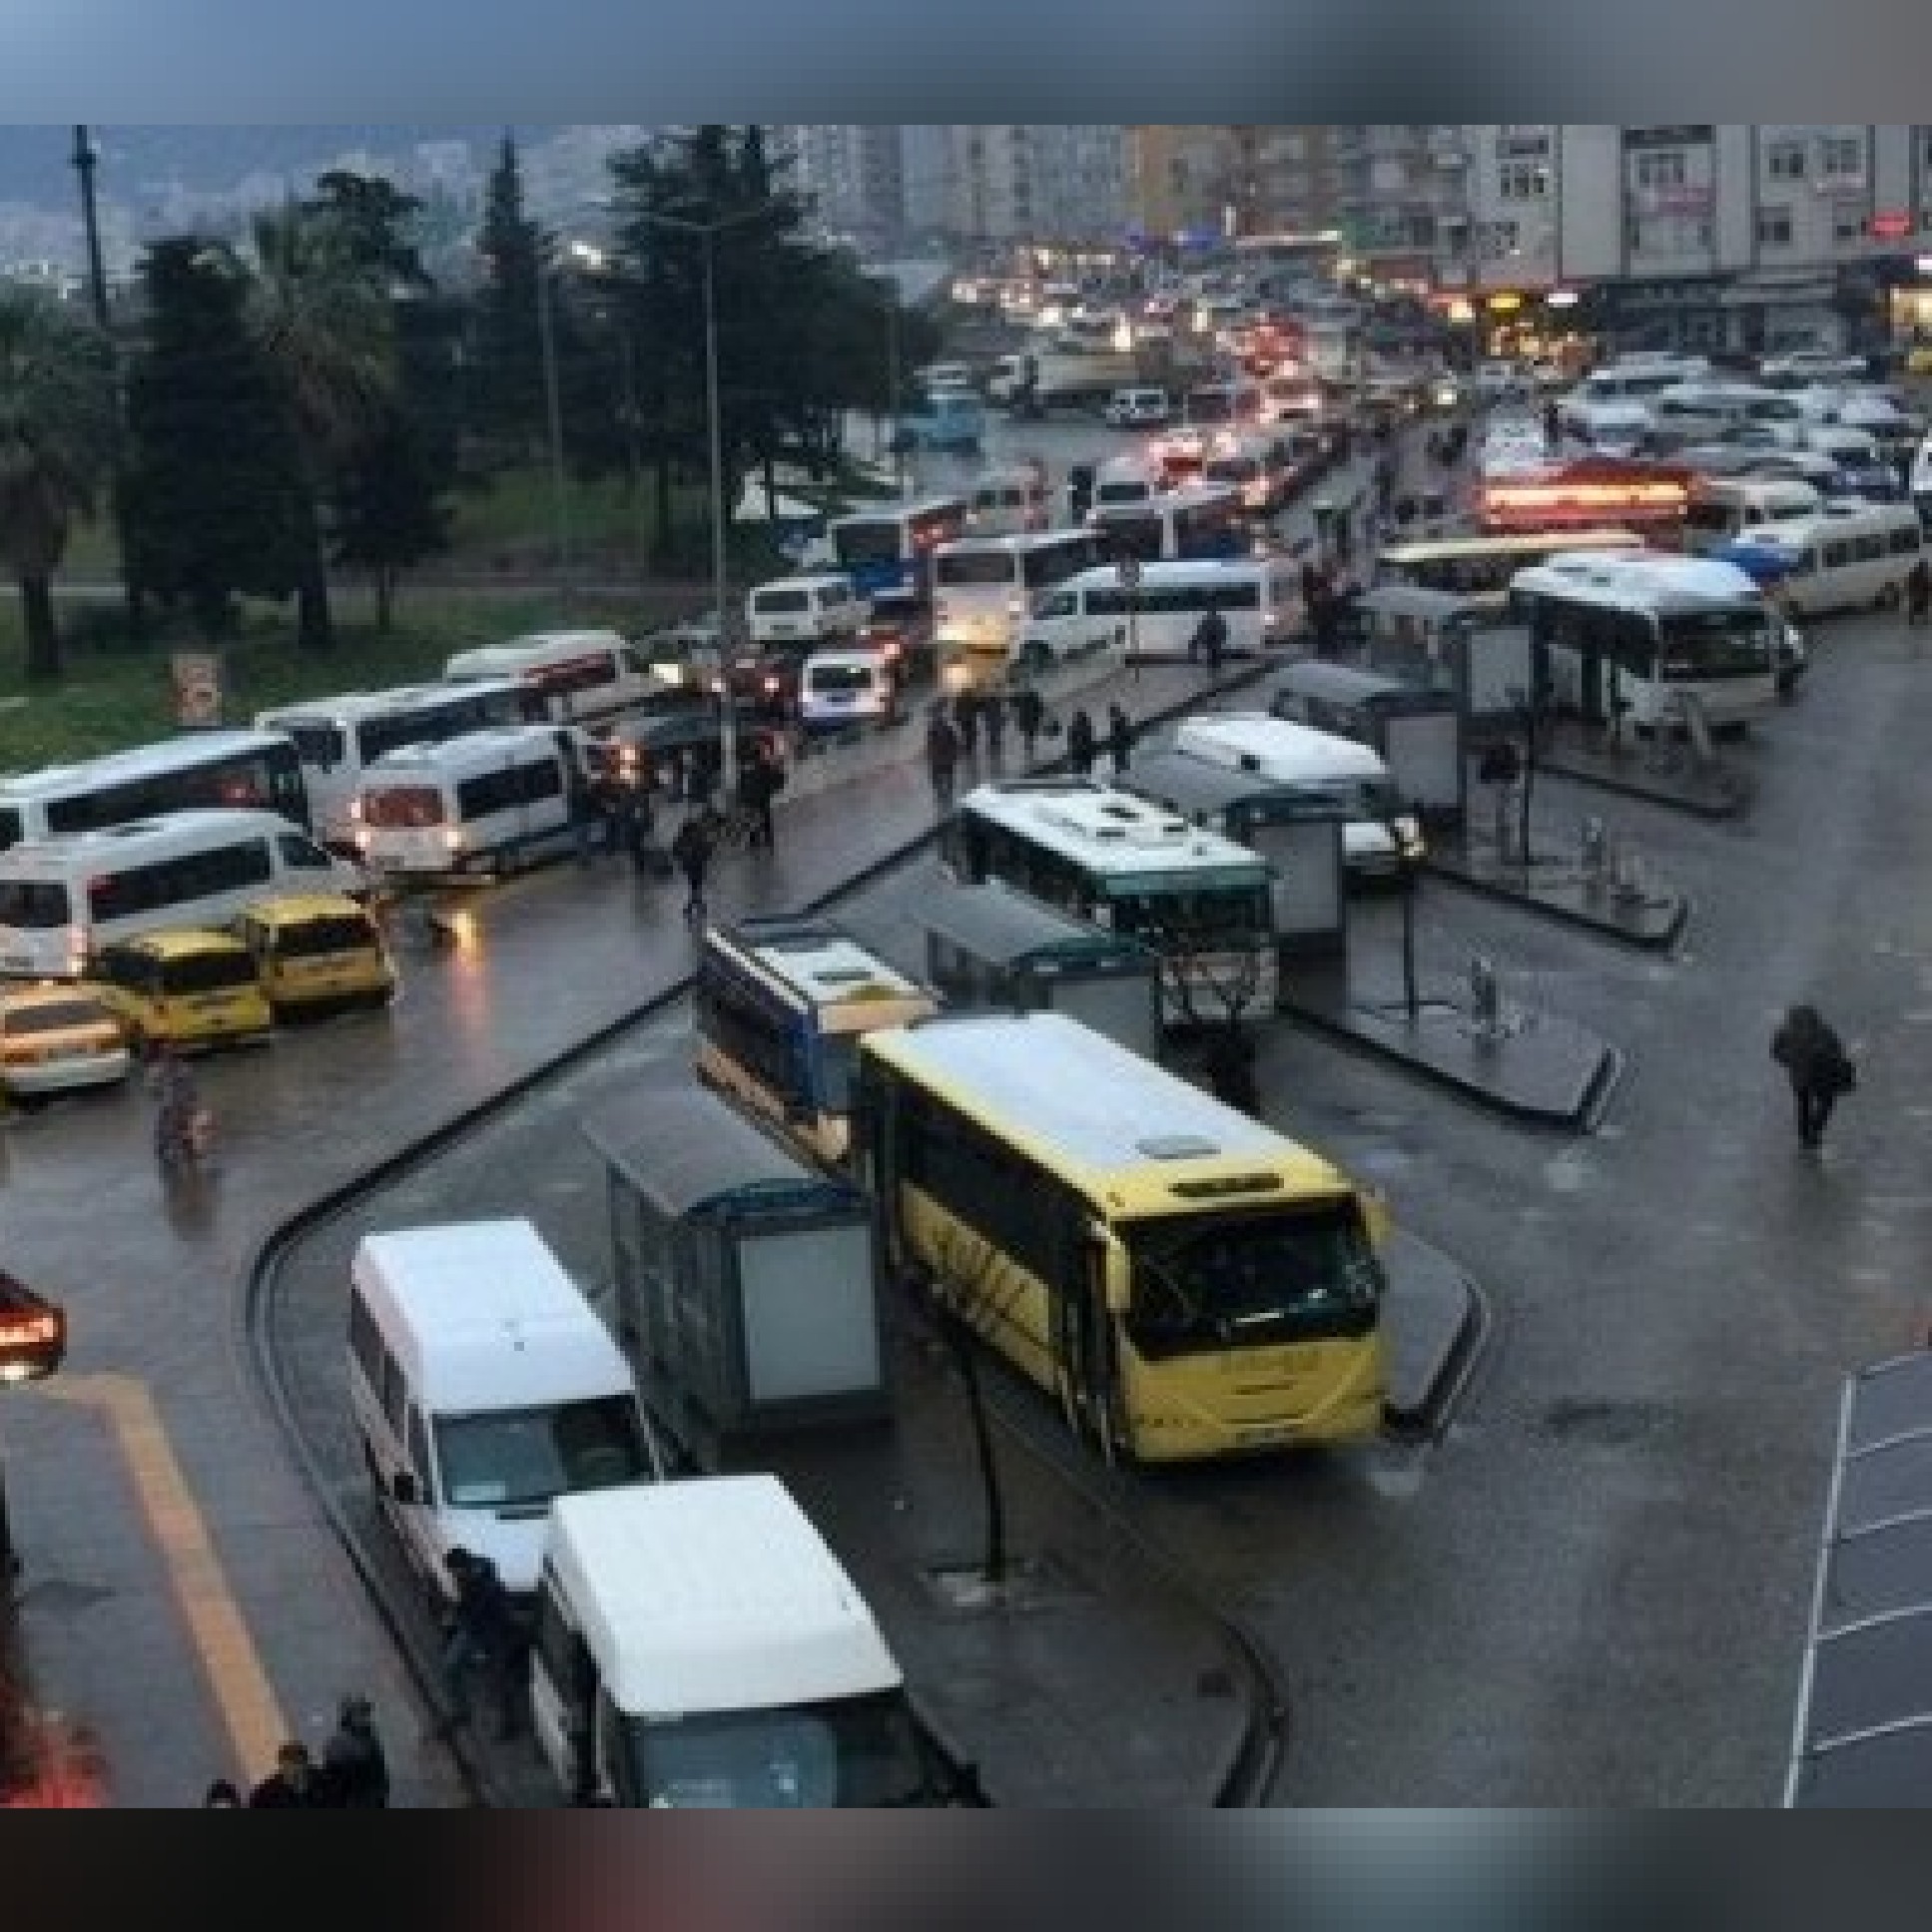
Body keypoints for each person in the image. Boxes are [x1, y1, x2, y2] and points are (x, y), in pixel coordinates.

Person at [439, 1547, 527, 1741]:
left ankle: (508, 1723)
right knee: (450, 1667)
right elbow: (467, 1604)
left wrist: (457, 1618)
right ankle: (460, 1711)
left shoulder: (485, 1581)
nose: (453, 1576)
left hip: (495, 1633)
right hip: (474, 1630)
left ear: (462, 1566)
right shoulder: (472, 1575)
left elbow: (479, 1608)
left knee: (498, 1681)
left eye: (454, 1571)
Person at [1771, 1002, 1855, 1151]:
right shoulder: (1824, 1033)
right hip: (1822, 1077)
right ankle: (1814, 1132)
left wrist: (1790, 1061)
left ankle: (1805, 1136)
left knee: (1803, 1105)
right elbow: (1838, 1054)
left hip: (1799, 1077)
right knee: (1825, 1103)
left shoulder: (1785, 1034)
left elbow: (1775, 1052)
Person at [322, 1693, 390, 1809]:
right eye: (362, 1715)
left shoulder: (336, 1743)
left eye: (366, 1715)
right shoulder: (364, 1743)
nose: (366, 1719)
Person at [249, 1740, 334, 1809]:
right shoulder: (265, 1792)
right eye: (290, 1765)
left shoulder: (326, 1783)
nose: (294, 1769)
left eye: (298, 1764)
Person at [1203, 1020, 1260, 1115]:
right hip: (1240, 1081)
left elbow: (1209, 1068)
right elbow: (1250, 1056)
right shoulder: (1242, 1042)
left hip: (1224, 1084)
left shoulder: (1215, 1047)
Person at [669, 810, 717, 923]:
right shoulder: (698, 837)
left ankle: (694, 905)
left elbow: (676, 849)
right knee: (696, 886)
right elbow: (707, 850)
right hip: (696, 864)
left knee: (694, 886)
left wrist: (682, 858)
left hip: (692, 864)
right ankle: (695, 905)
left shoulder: (687, 838)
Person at [926, 708, 961, 808]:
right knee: (948, 777)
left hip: (938, 759)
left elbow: (930, 745)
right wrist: (955, 755)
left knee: (937, 778)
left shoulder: (932, 730)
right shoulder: (948, 729)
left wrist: (930, 756)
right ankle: (948, 794)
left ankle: (941, 795)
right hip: (947, 759)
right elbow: (955, 742)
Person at [1012, 685, 1044, 767]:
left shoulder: (1022, 699)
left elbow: (1016, 707)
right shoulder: (1032, 698)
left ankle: (1030, 754)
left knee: (1028, 737)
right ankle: (1031, 753)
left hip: (1026, 721)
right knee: (1031, 737)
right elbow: (1040, 708)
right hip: (1031, 720)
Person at [1192, 605, 1229, 675]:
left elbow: (1202, 630)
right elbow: (1223, 631)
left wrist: (1200, 638)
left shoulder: (1211, 621)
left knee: (1213, 655)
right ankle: (1214, 668)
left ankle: (1214, 668)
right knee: (1214, 655)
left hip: (1212, 640)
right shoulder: (1217, 620)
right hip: (1213, 640)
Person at [1105, 702, 1135, 776]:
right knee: (1120, 754)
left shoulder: (1120, 719)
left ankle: (1121, 767)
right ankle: (1121, 767)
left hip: (1121, 740)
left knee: (1121, 754)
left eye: (1111, 712)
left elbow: (1122, 730)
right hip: (1120, 741)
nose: (1110, 715)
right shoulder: (1118, 719)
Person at [1066, 707, 1097, 777]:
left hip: (1080, 750)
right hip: (1083, 750)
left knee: (1080, 769)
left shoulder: (1075, 727)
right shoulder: (1086, 726)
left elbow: (1072, 738)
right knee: (1085, 769)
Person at [982, 689, 1006, 763]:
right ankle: (996, 753)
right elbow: (1000, 714)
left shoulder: (990, 705)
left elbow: (987, 715)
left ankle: (994, 752)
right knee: (995, 737)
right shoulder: (996, 705)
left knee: (993, 738)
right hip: (995, 724)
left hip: (993, 724)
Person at [1907, 555, 1931, 627]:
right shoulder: (1919, 574)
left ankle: (1914, 619)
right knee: (1920, 606)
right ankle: (1914, 619)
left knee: (1919, 606)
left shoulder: (1918, 573)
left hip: (1919, 593)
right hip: (1920, 593)